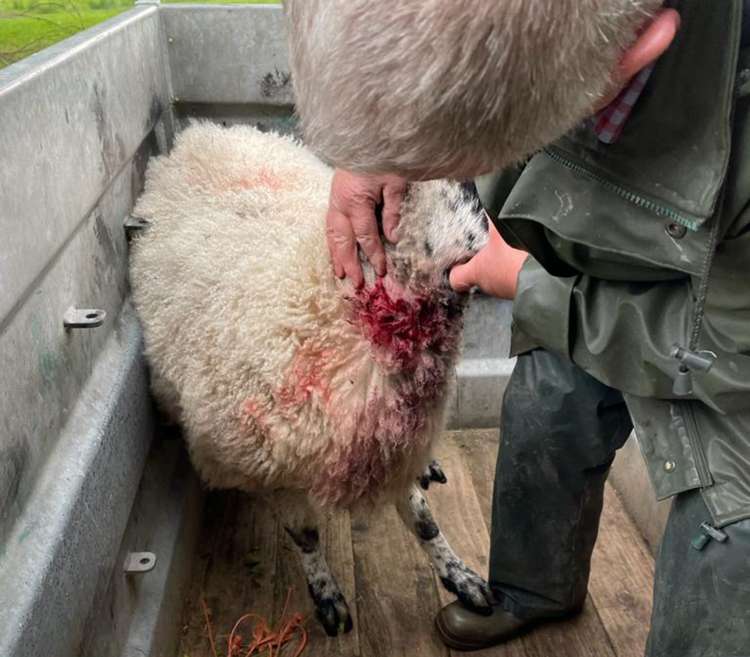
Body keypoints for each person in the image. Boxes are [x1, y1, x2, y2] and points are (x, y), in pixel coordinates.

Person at [284, 1, 750, 655]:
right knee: (548, 401)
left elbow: (733, 357)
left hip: (728, 331)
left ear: (640, 44)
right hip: (588, 228)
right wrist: (384, 146)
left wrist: (529, 286)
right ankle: (537, 587)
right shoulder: (582, 43)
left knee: (728, 532)